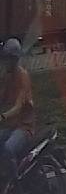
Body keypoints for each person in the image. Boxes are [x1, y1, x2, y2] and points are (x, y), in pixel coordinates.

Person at [0, 38, 35, 183]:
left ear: (14, 59)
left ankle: (15, 185)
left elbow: (18, 106)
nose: (5, 62)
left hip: (24, 128)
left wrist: (2, 117)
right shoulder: (7, 76)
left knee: (8, 148)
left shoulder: (23, 76)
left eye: (7, 59)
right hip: (11, 126)